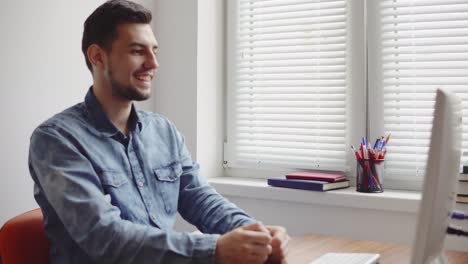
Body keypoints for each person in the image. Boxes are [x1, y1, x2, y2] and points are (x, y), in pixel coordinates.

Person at [28, 1, 290, 263]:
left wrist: (256, 234)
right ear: (97, 56)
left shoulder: (163, 131)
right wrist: (215, 249)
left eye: (154, 51)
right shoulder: (56, 139)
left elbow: (201, 200)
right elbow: (103, 236)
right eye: (137, 51)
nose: (153, 63)